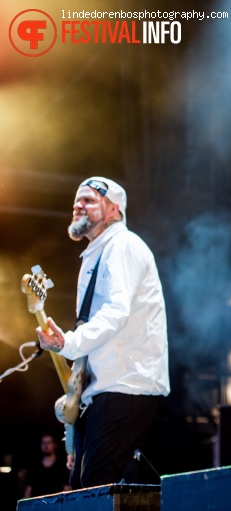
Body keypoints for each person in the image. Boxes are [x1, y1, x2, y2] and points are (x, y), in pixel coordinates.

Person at [36, 177, 170, 489]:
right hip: (105, 389)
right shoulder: (96, 253)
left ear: (113, 211)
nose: (77, 205)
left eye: (89, 200)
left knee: (95, 488)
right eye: (76, 200)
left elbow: (115, 313)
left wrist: (66, 342)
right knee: (84, 487)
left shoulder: (122, 246)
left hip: (127, 386)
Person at [23, 433, 71, 498]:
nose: (46, 445)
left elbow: (67, 490)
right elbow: (28, 491)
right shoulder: (34, 467)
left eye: (49, 442)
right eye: (43, 443)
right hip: (38, 506)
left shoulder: (62, 467)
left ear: (54, 445)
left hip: (57, 505)